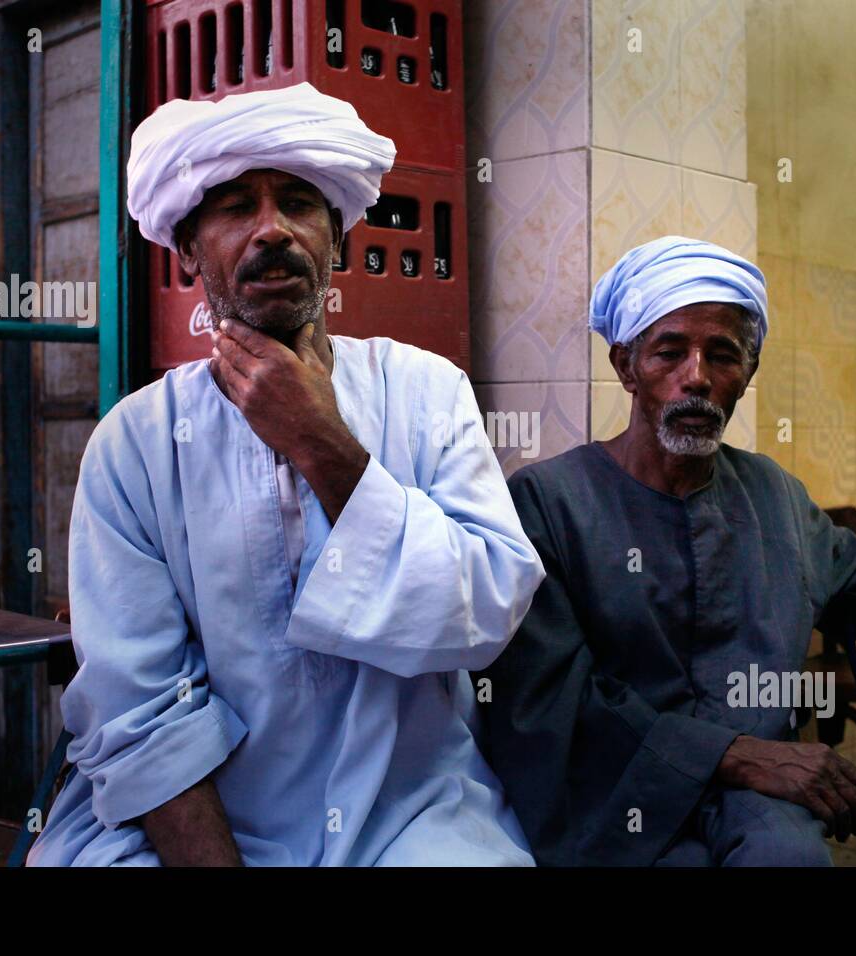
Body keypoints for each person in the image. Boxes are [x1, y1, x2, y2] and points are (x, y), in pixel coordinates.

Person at [28, 83, 543, 866]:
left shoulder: (427, 391)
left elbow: (483, 617)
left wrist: (320, 439)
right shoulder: (132, 445)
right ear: (190, 246)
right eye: (235, 207)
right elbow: (140, 712)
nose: (272, 229)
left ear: (335, 233)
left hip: (406, 814)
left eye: (298, 203)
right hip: (196, 828)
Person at [474, 236, 856, 867]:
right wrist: (736, 755)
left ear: (747, 376)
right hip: (616, 794)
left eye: (722, 355)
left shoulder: (771, 493)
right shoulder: (547, 502)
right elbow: (548, 699)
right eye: (670, 351)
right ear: (625, 366)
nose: (696, 376)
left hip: (757, 791)